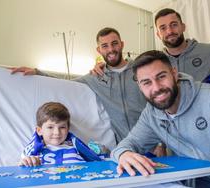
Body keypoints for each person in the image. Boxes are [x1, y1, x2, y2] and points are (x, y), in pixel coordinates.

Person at [10, 28, 165, 156]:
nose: (111, 49)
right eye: (105, 46)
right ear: (99, 50)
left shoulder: (141, 70)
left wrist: (160, 142)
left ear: (122, 44)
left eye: (114, 43)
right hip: (126, 148)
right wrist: (38, 72)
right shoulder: (95, 77)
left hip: (154, 142)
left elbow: (159, 104)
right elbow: (66, 81)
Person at [111, 50, 210, 188]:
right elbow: (128, 144)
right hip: (199, 181)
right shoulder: (151, 114)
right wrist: (124, 154)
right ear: (140, 86)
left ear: (174, 73)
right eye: (147, 82)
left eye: (161, 77)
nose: (156, 88)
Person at [154, 8, 210, 101]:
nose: (169, 31)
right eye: (163, 28)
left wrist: (209, 101)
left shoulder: (209, 51)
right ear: (158, 34)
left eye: (174, 25)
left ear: (183, 27)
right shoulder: (157, 64)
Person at [19, 102, 104, 166]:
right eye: (50, 127)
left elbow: (96, 162)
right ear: (39, 130)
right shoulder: (34, 150)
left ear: (68, 129)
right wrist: (27, 162)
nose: (57, 132)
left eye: (62, 127)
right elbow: (22, 166)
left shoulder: (76, 147)